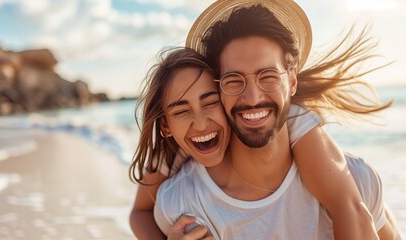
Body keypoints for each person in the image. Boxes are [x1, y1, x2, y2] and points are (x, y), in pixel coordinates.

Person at [151, 1, 400, 240]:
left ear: (292, 81)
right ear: (220, 89)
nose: (252, 98)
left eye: (268, 76)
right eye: (234, 80)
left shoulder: (356, 181)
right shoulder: (183, 206)